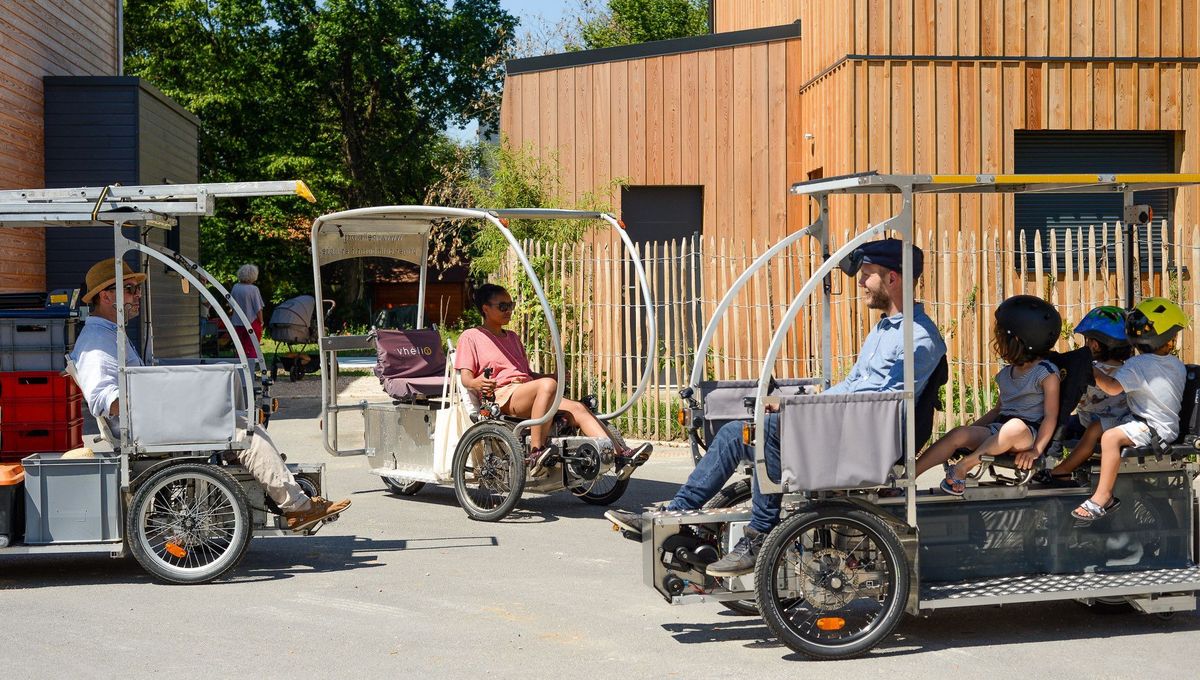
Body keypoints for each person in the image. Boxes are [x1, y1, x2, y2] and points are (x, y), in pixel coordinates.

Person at [605, 238, 946, 577]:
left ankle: (760, 534)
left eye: (867, 274)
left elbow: (880, 404)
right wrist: (802, 405)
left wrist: (802, 413)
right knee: (736, 431)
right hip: (850, 425)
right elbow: (854, 387)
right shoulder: (884, 330)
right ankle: (674, 515)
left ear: (892, 278)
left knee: (767, 431)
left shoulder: (919, 338)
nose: (860, 282)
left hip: (867, 440)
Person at [71, 258, 350, 532]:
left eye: (137, 288)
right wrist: (165, 396)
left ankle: (285, 495)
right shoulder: (96, 342)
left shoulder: (109, 332)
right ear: (106, 296)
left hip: (149, 422)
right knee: (246, 434)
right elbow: (105, 401)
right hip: (143, 428)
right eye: (130, 289)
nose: (138, 294)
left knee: (239, 419)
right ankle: (297, 508)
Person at [455, 283, 652, 477]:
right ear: (485, 309)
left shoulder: (513, 337)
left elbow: (528, 375)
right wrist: (477, 383)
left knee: (578, 408)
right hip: (503, 395)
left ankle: (620, 455)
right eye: (503, 307)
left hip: (526, 390)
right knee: (549, 386)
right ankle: (536, 452)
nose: (509, 311)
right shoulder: (471, 337)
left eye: (511, 305)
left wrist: (551, 377)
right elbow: (466, 378)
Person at [918, 296, 1062, 494]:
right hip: (1000, 430)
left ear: (1017, 340)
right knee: (959, 433)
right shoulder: (1006, 374)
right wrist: (969, 434)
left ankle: (963, 467)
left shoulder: (1047, 373)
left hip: (1027, 434)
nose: (997, 341)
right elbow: (998, 410)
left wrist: (1036, 450)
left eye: (1002, 336)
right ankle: (907, 478)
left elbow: (1051, 416)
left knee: (1014, 427)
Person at [1071, 297, 1187, 524]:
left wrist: (1090, 369)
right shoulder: (1176, 364)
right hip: (1157, 425)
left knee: (1110, 438)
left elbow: (1112, 388)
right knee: (1098, 427)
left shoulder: (1138, 365)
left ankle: (1103, 497)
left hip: (1151, 428)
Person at [1033, 306, 1132, 487]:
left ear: (1094, 344)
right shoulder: (1130, 369)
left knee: (1057, 425)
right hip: (1118, 420)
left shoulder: (1090, 368)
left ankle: (1060, 469)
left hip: (1100, 424)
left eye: (1087, 340)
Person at [231, 263, 265, 359]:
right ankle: (251, 369)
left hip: (237, 322)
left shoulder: (235, 287)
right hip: (252, 322)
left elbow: (231, 305)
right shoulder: (253, 289)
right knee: (252, 347)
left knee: (240, 348)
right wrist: (261, 321)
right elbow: (258, 308)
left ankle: (241, 370)